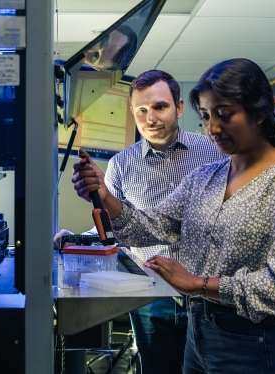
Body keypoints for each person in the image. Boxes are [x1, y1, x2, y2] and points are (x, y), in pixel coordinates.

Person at [70, 58, 275, 374]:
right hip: (200, 333)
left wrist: (197, 284)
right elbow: (153, 227)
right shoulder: (207, 176)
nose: (213, 128)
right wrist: (106, 197)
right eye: (205, 117)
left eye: (224, 114)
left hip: (258, 343)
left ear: (259, 113)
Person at [56, 69, 225, 373]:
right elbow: (113, 228)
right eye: (141, 110)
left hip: (205, 293)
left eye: (160, 107)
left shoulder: (213, 151)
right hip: (149, 294)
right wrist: (78, 239)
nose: (150, 118)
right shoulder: (121, 164)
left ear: (179, 107)